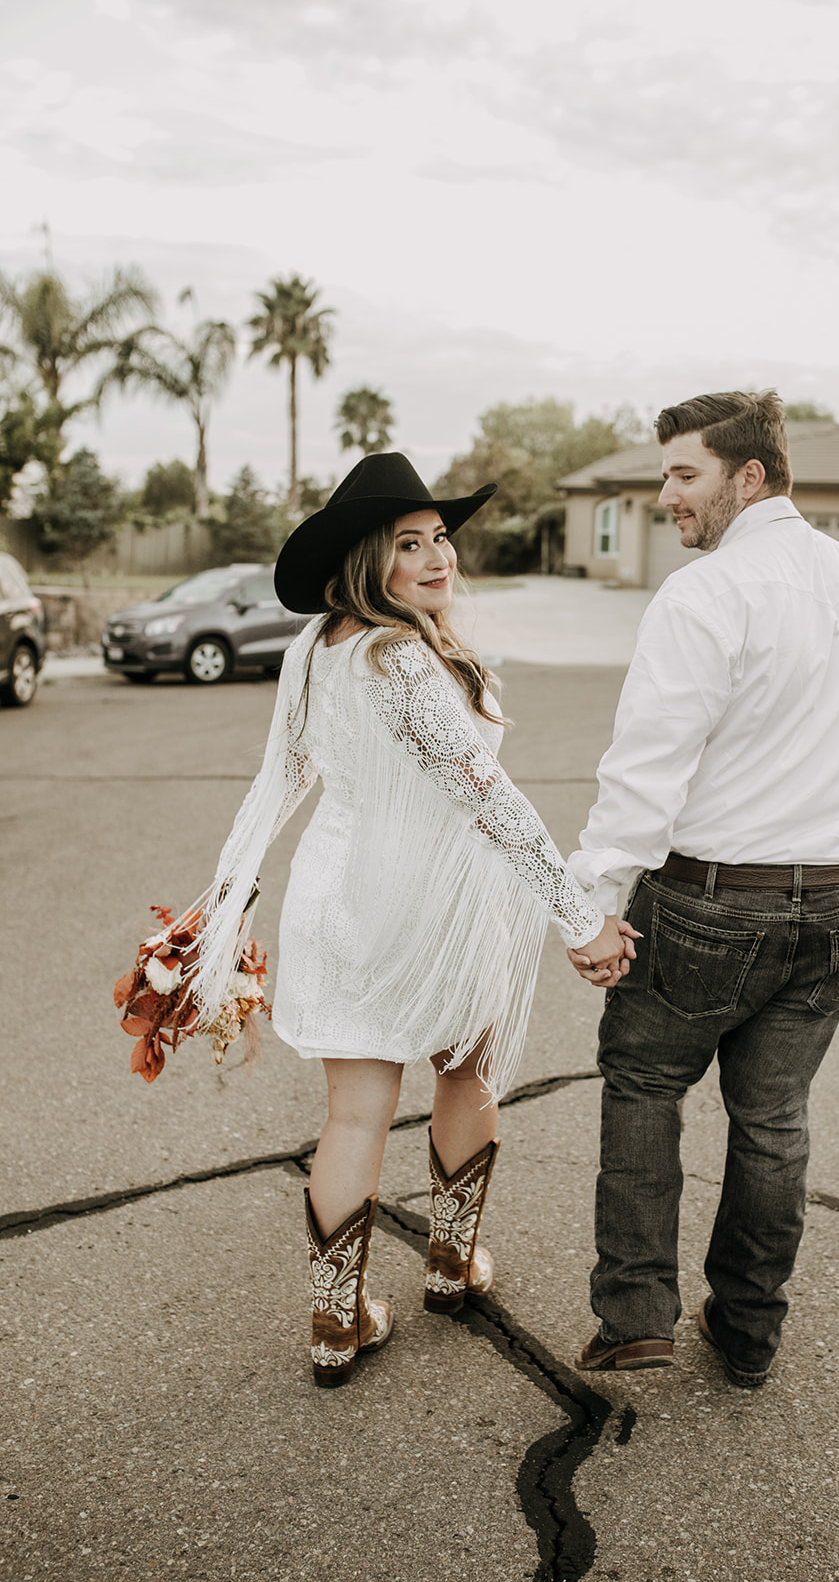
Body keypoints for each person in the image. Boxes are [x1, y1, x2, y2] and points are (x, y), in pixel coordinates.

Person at [191, 452, 635, 1387]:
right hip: (423, 900)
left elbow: (299, 770)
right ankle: (448, 1262)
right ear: (367, 558)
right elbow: (489, 797)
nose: (438, 560)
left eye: (441, 539)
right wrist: (577, 916)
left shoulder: (319, 645)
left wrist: (231, 894)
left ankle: (335, 1322)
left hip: (335, 891)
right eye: (409, 544)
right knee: (463, 1073)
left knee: (354, 1111)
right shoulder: (402, 658)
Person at [565, 391, 839, 1384]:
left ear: (745, 476)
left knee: (642, 1081)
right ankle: (748, 1328)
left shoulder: (705, 594)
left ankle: (635, 1311)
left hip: (709, 901)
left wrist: (592, 903)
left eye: (682, 474)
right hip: (829, 904)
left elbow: (646, 768)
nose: (664, 493)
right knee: (773, 1121)